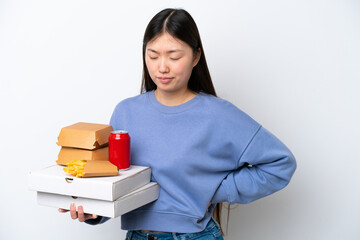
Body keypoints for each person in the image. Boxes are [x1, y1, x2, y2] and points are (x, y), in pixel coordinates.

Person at [59, 8, 297, 240]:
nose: (162, 67)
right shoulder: (126, 112)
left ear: (195, 56)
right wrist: (94, 211)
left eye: (174, 57)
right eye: (153, 56)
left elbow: (280, 164)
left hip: (194, 236)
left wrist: (212, 189)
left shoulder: (218, 115)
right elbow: (117, 179)